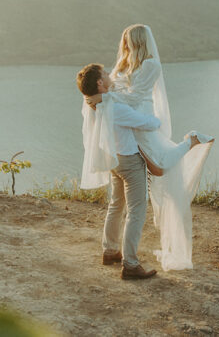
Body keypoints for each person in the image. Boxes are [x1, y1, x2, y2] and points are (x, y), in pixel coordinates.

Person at [106, 24, 214, 271]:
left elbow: (135, 97)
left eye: (128, 40)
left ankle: (191, 140)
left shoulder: (150, 65)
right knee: (134, 188)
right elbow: (122, 93)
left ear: (137, 41)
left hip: (141, 122)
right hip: (128, 125)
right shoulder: (121, 65)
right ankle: (115, 253)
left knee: (160, 165)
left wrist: (108, 97)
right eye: (124, 40)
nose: (125, 44)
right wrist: (111, 96)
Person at [76, 63, 160, 280]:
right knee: (136, 210)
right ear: (100, 83)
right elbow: (148, 123)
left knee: (116, 204)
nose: (109, 74)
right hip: (129, 161)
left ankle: (110, 251)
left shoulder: (92, 104)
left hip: (113, 160)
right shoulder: (115, 108)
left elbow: (113, 95)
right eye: (105, 74)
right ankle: (130, 264)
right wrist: (158, 117)